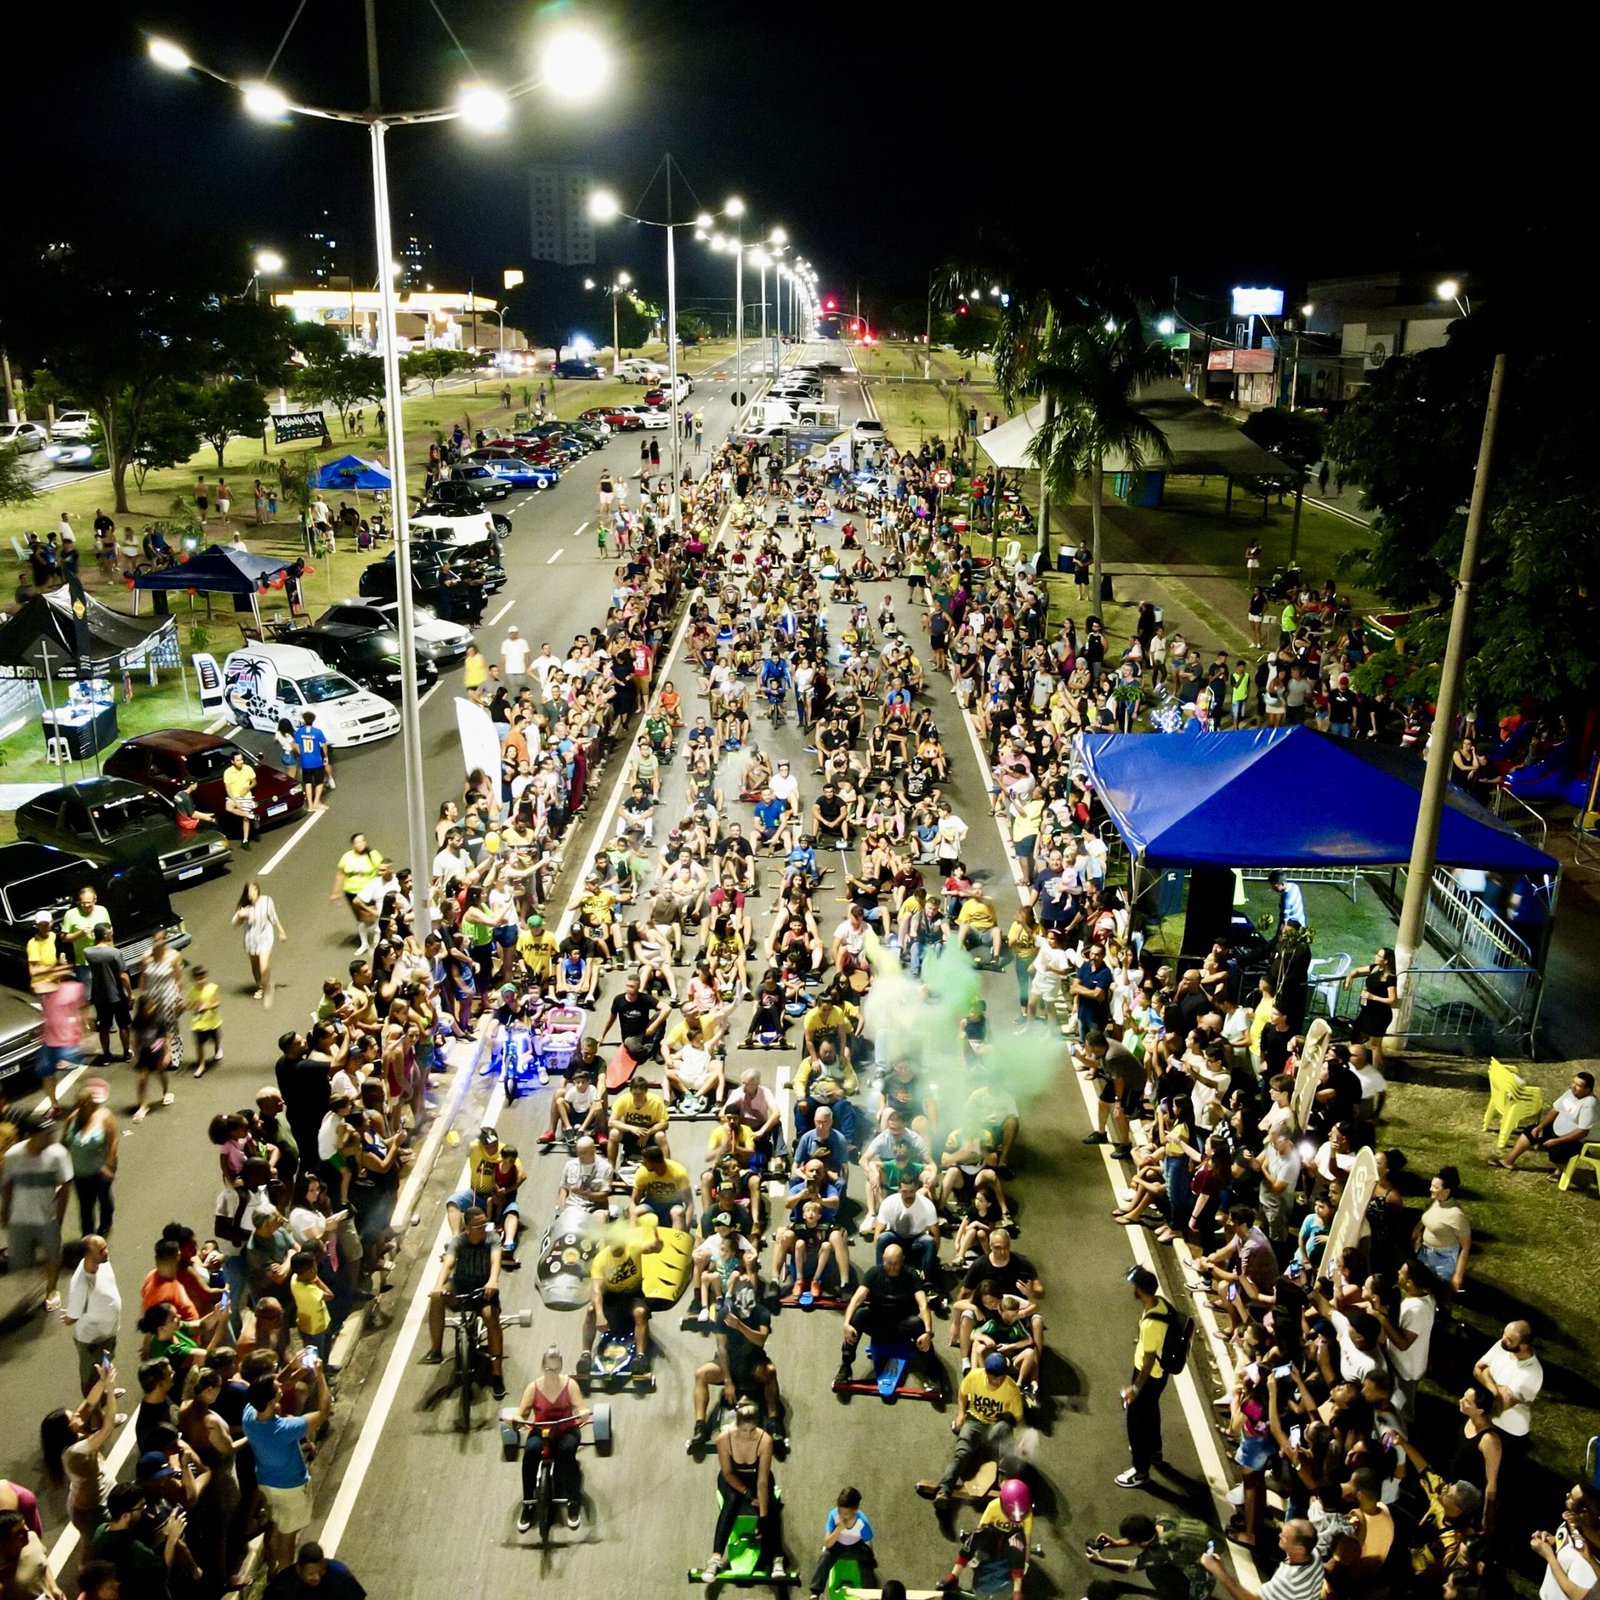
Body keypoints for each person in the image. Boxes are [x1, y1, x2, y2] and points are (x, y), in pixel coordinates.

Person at [241, 1358, 333, 1574]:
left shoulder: (249, 1414)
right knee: (288, 1536)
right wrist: (319, 1376)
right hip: (291, 1488)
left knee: (274, 1525)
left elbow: (271, 1385)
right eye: (278, 1391)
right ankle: (285, 1575)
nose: (281, 1387)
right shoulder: (284, 1428)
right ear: (272, 1402)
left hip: (266, 1482)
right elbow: (323, 1411)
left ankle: (273, 1568)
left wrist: (295, 1367)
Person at [422, 1205, 506, 1398]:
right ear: (467, 1227)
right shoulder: (458, 1241)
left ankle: (497, 1374)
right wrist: (438, 1286)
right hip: (461, 1285)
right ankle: (436, 1350)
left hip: (484, 1288)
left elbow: (495, 1262)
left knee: (489, 1318)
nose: (482, 1228)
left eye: (484, 1224)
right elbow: (448, 1263)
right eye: (477, 1225)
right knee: (437, 1299)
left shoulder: (492, 1238)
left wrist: (493, 1280)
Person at [511, 1346, 591, 1533]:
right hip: (541, 1432)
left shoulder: (570, 1385)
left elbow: (580, 1407)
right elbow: (521, 1412)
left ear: (561, 1367)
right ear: (542, 1367)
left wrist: (583, 1413)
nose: (553, 1373)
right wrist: (516, 1418)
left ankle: (573, 1501)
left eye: (556, 1369)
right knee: (530, 1452)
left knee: (566, 1452)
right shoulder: (533, 1388)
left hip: (566, 1430)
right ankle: (528, 1502)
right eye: (549, 1369)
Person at [703, 1401, 785, 1581]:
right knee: (732, 1501)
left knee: (769, 1508)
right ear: (736, 1426)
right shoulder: (724, 1439)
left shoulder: (765, 1440)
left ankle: (777, 1557)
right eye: (743, 1431)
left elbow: (762, 1481)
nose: (748, 1435)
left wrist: (763, 1516)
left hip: (758, 1478)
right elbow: (728, 1473)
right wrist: (748, 1495)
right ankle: (715, 1558)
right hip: (733, 1480)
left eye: (752, 1431)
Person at [837, 1241, 934, 1385]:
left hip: (902, 1327)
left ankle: (931, 1372)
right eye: (889, 1263)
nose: (892, 1268)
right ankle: (846, 1366)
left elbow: (923, 1304)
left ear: (903, 1260)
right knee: (859, 1315)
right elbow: (856, 1300)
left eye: (896, 1263)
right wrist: (846, 1324)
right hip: (879, 1325)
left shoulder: (911, 1275)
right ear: (883, 1259)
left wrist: (928, 1332)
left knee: (917, 1323)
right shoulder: (874, 1273)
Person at [3, 1113, 73, 1310]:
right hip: (20, 1219)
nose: (50, 1137)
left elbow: (65, 1186)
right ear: (31, 1135)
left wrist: (59, 1217)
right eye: (45, 1133)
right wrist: (5, 1211)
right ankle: (39, 1277)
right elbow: (8, 1185)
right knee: (21, 1259)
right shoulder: (13, 1156)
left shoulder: (58, 1154)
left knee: (53, 1255)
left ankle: (52, 1289)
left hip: (46, 1217)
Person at [937, 1352, 1024, 1509]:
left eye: (1000, 1378)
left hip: (995, 1427)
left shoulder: (1012, 1389)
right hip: (975, 1422)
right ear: (986, 1372)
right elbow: (962, 1394)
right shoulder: (974, 1377)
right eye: (992, 1377)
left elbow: (1017, 1418)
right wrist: (961, 1414)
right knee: (962, 1453)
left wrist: (1017, 1430)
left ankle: (1004, 1479)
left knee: (1006, 1432)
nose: (996, 1381)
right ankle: (944, 1489)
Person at [1116, 1266, 1176, 1490]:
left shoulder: (1152, 1323)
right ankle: (1154, 1451)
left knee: (1135, 1421)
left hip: (1147, 1375)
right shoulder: (1160, 1304)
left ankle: (1140, 1470)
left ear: (1140, 1290)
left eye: (1134, 1286)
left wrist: (1135, 1388)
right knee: (1151, 1411)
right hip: (1158, 1375)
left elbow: (1149, 1360)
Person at [581, 1226, 663, 1377]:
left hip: (634, 1295)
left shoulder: (633, 1247)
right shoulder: (601, 1259)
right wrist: (599, 1314)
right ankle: (585, 1354)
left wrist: (658, 1245)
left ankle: (640, 1357)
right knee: (591, 1311)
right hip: (611, 1297)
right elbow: (596, 1290)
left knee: (640, 1312)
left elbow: (652, 1248)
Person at [936, 1478, 1032, 1600]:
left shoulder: (1027, 1514)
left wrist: (1026, 1561)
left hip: (1008, 1545)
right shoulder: (994, 1506)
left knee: (1018, 1541)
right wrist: (976, 1552)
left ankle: (1017, 1591)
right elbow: (980, 1529)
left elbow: (1027, 1540)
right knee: (978, 1533)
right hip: (992, 1542)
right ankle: (954, 1575)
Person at [1492, 1070, 1596, 1175]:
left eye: (1578, 1085)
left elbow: (1582, 1132)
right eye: (1573, 1082)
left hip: (1577, 1141)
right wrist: (1540, 1127)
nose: (1573, 1086)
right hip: (1556, 1131)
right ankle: (1508, 1161)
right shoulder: (1570, 1093)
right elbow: (1555, 1110)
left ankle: (1560, 1172)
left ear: (1587, 1090)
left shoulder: (1590, 1104)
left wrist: (1557, 1141)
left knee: (1556, 1151)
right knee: (1530, 1131)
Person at [1200, 1517, 1324, 1600]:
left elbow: (1248, 1598)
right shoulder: (1314, 1553)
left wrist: (1218, 1571)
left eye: (1284, 1538)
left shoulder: (1287, 1580)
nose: (1279, 1535)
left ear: (1299, 1550)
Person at [62, 1234, 122, 1393]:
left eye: (105, 1247)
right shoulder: (80, 1285)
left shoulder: (102, 1262)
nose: (107, 1251)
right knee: (92, 1379)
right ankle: (98, 1412)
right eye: (102, 1250)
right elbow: (71, 1319)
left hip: (108, 1333)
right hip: (92, 1341)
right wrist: (69, 1315)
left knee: (107, 1362)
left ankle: (106, 1391)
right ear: (88, 1255)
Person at [809, 1486, 877, 1598]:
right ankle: (815, 1592)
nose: (842, 1516)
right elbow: (827, 1543)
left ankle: (870, 1593)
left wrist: (870, 1557)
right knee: (824, 1557)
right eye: (840, 1512)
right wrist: (838, 1529)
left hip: (856, 1546)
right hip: (838, 1546)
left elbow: (868, 1543)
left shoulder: (862, 1522)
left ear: (855, 1510)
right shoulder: (833, 1516)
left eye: (846, 1514)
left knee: (867, 1560)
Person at [234, 881, 288, 1006]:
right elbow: (235, 923)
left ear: (257, 890)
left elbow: (273, 917)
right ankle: (260, 985)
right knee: (255, 965)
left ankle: (266, 987)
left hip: (265, 938)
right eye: (248, 891)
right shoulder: (244, 907)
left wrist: (281, 931)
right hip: (251, 941)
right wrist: (240, 916)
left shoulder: (267, 901)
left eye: (253, 890)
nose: (250, 893)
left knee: (264, 966)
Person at [262, 1541, 367, 1600]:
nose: (317, 1577)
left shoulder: (339, 1573)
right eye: (311, 1573)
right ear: (299, 1569)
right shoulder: (282, 1587)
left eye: (321, 1571)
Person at [293, 712, 331, 811]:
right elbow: (323, 745)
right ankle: (316, 802)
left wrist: (301, 754)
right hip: (316, 761)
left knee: (308, 782)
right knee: (319, 782)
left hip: (305, 762)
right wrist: (326, 756)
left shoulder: (299, 732)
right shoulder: (317, 732)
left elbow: (296, 745)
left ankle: (310, 805)